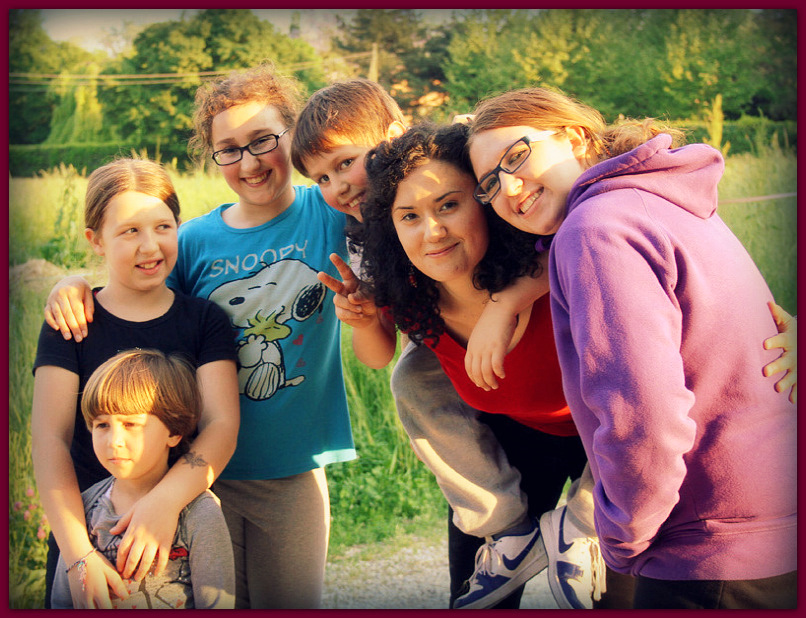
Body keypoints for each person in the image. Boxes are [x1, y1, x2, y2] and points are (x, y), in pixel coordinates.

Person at [467, 87, 797, 608]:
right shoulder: (657, 197)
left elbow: (645, 417)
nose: (508, 187)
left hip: (708, 544)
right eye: (489, 183)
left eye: (516, 155)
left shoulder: (596, 229)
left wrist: (621, 537)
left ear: (575, 138)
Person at [43, 65, 357, 609]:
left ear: (293, 132)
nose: (250, 161)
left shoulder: (329, 211)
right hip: (190, 479)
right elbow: (139, 295)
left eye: (264, 139)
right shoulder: (192, 241)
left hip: (288, 471)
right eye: (229, 149)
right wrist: (71, 285)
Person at [292, 83, 595, 609]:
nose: (339, 185)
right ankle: (509, 532)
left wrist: (506, 303)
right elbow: (377, 354)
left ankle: (585, 526)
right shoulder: (387, 253)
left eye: (345, 163)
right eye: (322, 178)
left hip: (597, 424)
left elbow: (567, 239)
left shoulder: (496, 193)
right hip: (513, 422)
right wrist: (363, 318)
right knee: (413, 375)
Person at [32, 158, 240, 609]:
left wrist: (163, 503)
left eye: (163, 227)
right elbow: (50, 439)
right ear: (96, 241)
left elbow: (222, 425)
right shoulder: (71, 324)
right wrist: (78, 554)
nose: (150, 246)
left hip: (176, 532)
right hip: (83, 535)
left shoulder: (204, 320)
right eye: (130, 231)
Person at [50, 350, 235, 609]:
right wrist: (83, 572)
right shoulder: (83, 509)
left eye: (130, 425)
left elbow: (217, 604)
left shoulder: (201, 513)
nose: (114, 441)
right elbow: (63, 599)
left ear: (174, 431)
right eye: (102, 425)